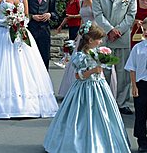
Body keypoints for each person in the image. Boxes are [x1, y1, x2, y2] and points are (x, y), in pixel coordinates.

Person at [44, 21, 131, 153]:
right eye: (99, 39)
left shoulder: (98, 52)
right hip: (85, 88)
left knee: (104, 113)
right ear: (90, 40)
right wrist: (93, 70)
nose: (101, 42)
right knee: (82, 115)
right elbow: (78, 76)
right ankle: (79, 143)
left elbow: (103, 66)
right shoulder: (81, 56)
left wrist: (104, 64)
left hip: (100, 86)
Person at [92, 0, 137, 115]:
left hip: (122, 37)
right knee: (103, 71)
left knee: (123, 73)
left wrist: (118, 30)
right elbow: (97, 14)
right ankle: (103, 100)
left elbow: (131, 15)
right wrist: (109, 30)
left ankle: (122, 103)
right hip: (104, 38)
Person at [125, 16, 147, 153]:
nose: (146, 33)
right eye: (144, 30)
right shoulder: (138, 48)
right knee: (140, 114)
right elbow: (132, 68)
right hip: (141, 85)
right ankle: (142, 141)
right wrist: (134, 86)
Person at [58, 0, 95, 97]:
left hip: (93, 30)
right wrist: (80, 32)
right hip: (83, 31)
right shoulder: (80, 2)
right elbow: (83, 18)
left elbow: (97, 16)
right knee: (77, 57)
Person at [27, 0, 59, 70]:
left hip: (44, 30)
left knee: (44, 56)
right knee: (29, 56)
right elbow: (21, 12)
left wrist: (50, 14)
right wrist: (32, 16)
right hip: (31, 30)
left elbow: (56, 14)